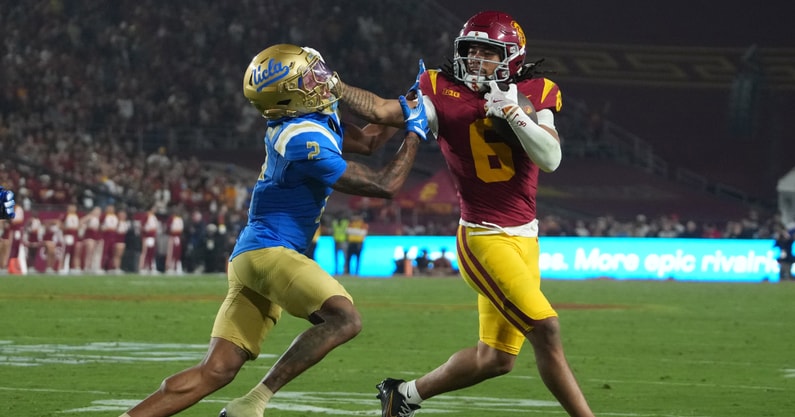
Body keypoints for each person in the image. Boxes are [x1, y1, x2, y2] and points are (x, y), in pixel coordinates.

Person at [118, 43, 428, 417]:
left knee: (215, 370)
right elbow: (384, 185)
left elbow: (371, 139)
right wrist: (415, 132)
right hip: (270, 252)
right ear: (290, 97)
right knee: (345, 318)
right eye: (309, 77)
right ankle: (253, 402)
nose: (321, 80)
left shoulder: (308, 121)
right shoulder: (300, 139)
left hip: (253, 254)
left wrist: (413, 101)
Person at [337, 10, 595, 417]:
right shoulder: (439, 89)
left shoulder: (536, 89)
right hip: (483, 237)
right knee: (546, 329)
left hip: (526, 238)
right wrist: (335, 88)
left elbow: (551, 158)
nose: (475, 59)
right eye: (470, 50)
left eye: (487, 52)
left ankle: (403, 396)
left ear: (510, 56)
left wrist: (512, 113)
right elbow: (383, 113)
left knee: (495, 359)